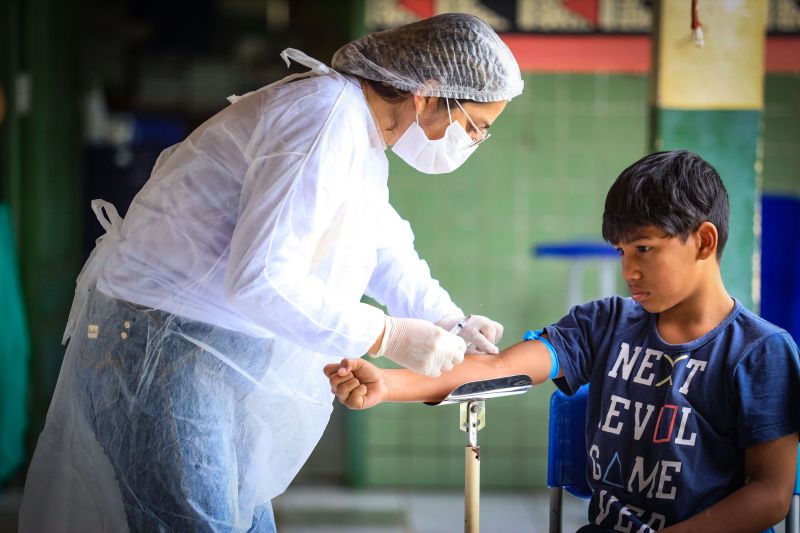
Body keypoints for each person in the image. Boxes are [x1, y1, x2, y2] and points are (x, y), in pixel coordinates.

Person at [19, 13, 524, 533]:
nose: (470, 142)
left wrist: (446, 319)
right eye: (474, 126)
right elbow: (262, 278)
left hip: (205, 348)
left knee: (239, 519)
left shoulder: (360, 132)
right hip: (160, 343)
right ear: (427, 92)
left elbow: (379, 241)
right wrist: (387, 333)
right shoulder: (324, 117)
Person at [327, 150, 800, 533]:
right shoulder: (606, 322)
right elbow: (494, 370)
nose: (628, 270)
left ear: (704, 241)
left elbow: (770, 494)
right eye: (621, 252)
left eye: (644, 249)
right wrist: (387, 385)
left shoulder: (760, 353)